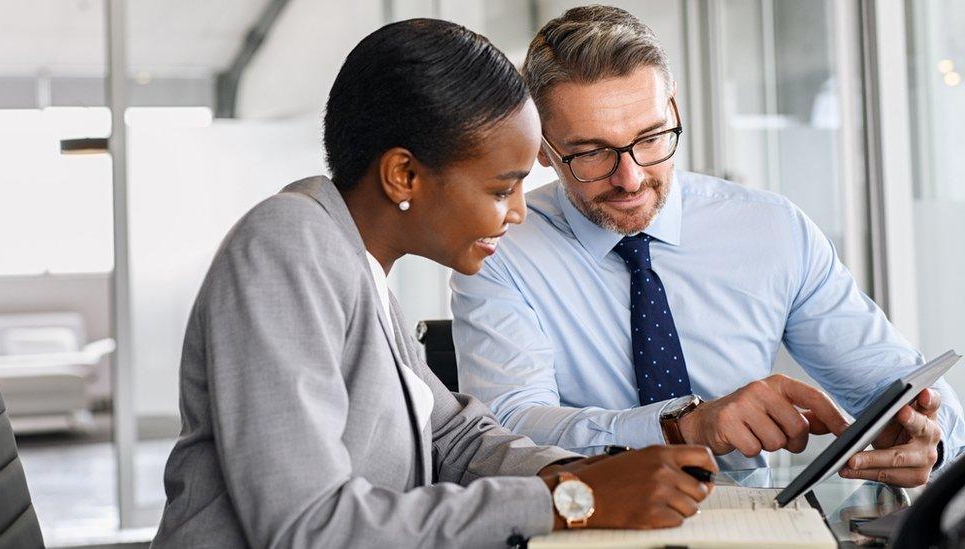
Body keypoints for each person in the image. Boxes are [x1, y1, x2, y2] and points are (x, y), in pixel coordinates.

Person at [151, 18, 718, 549]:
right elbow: (308, 527)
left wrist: (584, 472)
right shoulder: (289, 245)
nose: (518, 212)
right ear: (404, 175)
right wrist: (571, 500)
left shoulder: (357, 266)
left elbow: (456, 438)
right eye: (501, 189)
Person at [450, 5, 962, 486]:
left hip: (762, 526)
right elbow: (507, 433)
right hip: (587, 525)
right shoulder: (501, 247)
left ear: (672, 109)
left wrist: (928, 438)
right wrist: (681, 427)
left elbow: (901, 385)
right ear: (542, 146)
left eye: (651, 138)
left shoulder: (771, 229)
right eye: (591, 152)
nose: (630, 178)